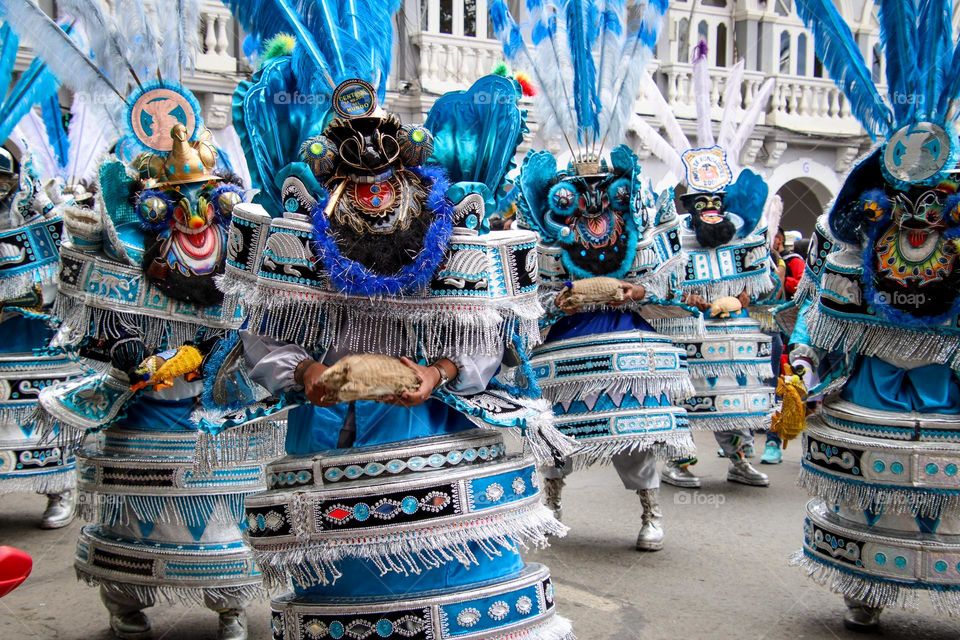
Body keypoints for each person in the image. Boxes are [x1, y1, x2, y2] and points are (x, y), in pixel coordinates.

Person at [207, 5, 575, 636]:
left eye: (387, 175)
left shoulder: (447, 229)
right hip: (330, 428)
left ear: (409, 170)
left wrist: (440, 371)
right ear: (331, 180)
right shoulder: (295, 239)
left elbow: (484, 332)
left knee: (449, 577)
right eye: (357, 178)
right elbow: (261, 336)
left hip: (432, 426)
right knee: (349, 591)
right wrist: (310, 372)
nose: (375, 190)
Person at [7, 4, 273, 637]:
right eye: (177, 200)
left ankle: (229, 604)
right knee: (128, 516)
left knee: (218, 511)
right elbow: (89, 329)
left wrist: (203, 359)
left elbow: (260, 330)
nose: (192, 212)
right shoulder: (122, 254)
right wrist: (135, 359)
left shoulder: (242, 252)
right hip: (139, 402)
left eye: (204, 198)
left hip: (216, 404)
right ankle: (126, 603)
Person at [490, 0, 695, 552]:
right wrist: (561, 303)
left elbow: (666, 279)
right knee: (556, 425)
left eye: (602, 189)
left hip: (627, 331)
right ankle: (551, 504)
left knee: (637, 425)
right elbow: (532, 292)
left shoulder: (634, 221)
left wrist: (638, 290)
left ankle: (650, 510)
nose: (592, 201)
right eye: (579, 193)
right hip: (570, 337)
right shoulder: (552, 233)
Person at [788, 0, 960, 630]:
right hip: (871, 391)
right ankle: (867, 589)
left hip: (949, 394)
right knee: (869, 509)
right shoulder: (854, 255)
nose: (918, 220)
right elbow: (822, 319)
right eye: (902, 203)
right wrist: (805, 364)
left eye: (936, 203)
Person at [633, 41, 778, 488]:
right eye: (703, 202)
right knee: (686, 399)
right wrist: (687, 299)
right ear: (690, 203)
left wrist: (740, 297)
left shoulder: (743, 233)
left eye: (717, 201)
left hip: (736, 335)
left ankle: (739, 459)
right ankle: (679, 462)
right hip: (686, 333)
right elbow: (654, 286)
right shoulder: (673, 235)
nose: (712, 209)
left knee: (737, 399)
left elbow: (766, 282)